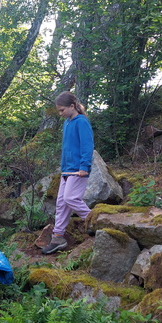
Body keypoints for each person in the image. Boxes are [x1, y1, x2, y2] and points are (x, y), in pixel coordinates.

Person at [42, 91, 94, 254]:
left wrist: (84, 166)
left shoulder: (81, 122)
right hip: (67, 169)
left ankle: (96, 221)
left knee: (71, 198)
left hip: (78, 170)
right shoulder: (67, 122)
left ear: (72, 106)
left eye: (62, 110)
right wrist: (63, 167)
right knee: (61, 203)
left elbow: (87, 145)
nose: (60, 113)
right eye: (58, 111)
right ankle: (58, 237)